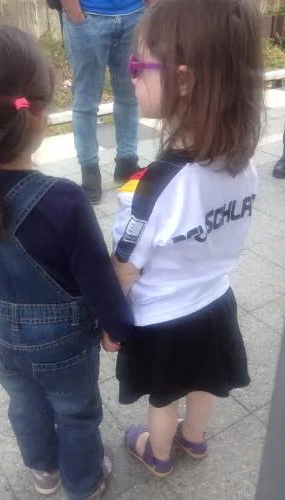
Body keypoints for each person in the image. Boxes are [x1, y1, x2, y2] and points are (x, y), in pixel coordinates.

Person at [0, 24, 134, 499]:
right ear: (36, 114)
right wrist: (117, 327)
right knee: (75, 412)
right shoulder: (64, 200)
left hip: (1, 337)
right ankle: (83, 481)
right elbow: (97, 281)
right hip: (64, 347)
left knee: (24, 406)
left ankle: (43, 472)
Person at [103, 0, 263, 477]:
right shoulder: (243, 163)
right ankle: (194, 440)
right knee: (205, 381)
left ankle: (157, 450)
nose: (130, 75)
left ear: (185, 80)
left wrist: (112, 320)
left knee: (165, 392)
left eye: (137, 65)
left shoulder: (153, 188)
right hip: (215, 300)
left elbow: (125, 266)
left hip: (163, 317)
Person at [62, 0, 148, 204]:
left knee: (130, 95)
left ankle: (127, 164)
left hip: (134, 14)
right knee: (86, 102)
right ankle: (90, 173)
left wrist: (151, 12)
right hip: (89, 15)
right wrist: (76, 15)